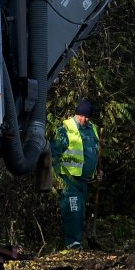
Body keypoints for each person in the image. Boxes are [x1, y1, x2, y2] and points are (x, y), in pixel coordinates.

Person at [48, 99, 101, 250]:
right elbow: (54, 155)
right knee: (73, 211)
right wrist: (56, 179)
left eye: (88, 117)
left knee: (81, 212)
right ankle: (73, 245)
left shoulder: (92, 129)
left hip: (83, 180)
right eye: (82, 117)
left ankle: (77, 243)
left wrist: (97, 171)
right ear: (76, 114)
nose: (85, 119)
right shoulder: (65, 129)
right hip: (68, 179)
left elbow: (95, 153)